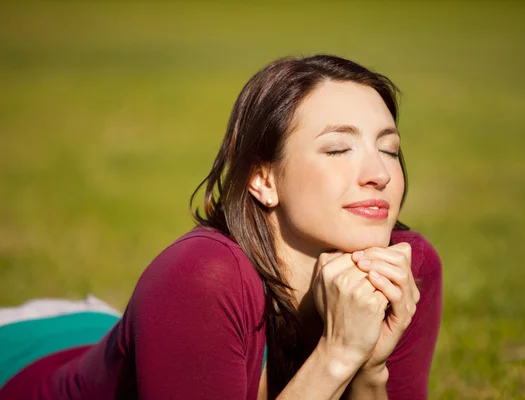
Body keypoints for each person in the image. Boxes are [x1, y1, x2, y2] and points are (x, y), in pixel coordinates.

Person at [0, 54, 442, 399]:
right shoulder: (202, 278)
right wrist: (338, 356)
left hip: (118, 333)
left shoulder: (406, 266)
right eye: (337, 149)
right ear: (263, 179)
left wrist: (370, 368)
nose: (379, 173)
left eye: (389, 149)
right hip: (20, 360)